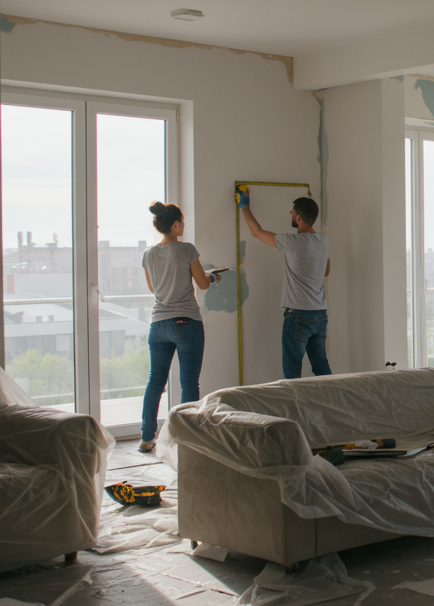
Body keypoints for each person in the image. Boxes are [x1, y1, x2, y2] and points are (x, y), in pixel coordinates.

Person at [139, 202, 223, 453]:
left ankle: (146, 437)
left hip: (158, 324)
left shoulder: (149, 254)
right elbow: (203, 284)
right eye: (182, 222)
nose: (183, 226)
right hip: (186, 322)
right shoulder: (186, 249)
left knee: (155, 381)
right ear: (175, 225)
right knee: (188, 382)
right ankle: (188, 437)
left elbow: (153, 288)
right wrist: (213, 277)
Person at [238, 188, 332, 380]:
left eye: (292, 211)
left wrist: (245, 206)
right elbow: (326, 271)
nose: (290, 213)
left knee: (292, 372)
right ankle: (337, 405)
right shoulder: (323, 241)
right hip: (320, 314)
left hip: (298, 315)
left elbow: (257, 232)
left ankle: (293, 410)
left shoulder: (292, 241)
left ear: (298, 217)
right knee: (322, 368)